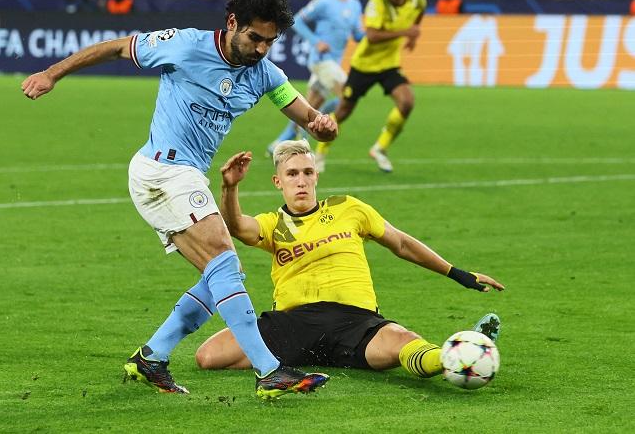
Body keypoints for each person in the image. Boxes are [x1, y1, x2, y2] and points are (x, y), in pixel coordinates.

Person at [20, 0, 338, 400]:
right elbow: (117, 48)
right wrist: (51, 74)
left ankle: (152, 356)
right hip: (162, 171)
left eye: (270, 41)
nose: (262, 48)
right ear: (232, 23)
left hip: (185, 176)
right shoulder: (185, 45)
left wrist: (321, 124)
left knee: (219, 275)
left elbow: (305, 114)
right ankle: (269, 370)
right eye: (255, 37)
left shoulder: (265, 74)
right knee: (223, 262)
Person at [195, 139, 504, 381]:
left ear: (316, 176)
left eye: (307, 172)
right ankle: (463, 354)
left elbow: (401, 243)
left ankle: (459, 355)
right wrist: (230, 187)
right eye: (292, 174)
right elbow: (236, 226)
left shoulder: (348, 208)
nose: (301, 181)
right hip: (295, 324)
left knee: (403, 343)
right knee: (208, 356)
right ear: (278, 181)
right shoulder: (273, 224)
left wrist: (457, 273)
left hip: (355, 321)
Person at [315, 0, 426, 173]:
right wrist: (406, 33)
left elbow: (418, 14)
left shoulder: (417, 1)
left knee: (407, 102)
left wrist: (413, 36)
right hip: (364, 65)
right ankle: (320, 152)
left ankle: (380, 148)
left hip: (389, 65)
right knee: (344, 111)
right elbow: (373, 36)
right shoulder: (377, 2)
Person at [265, 0, 364, 157]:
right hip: (321, 60)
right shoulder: (323, 2)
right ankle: (315, 141)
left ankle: (279, 143)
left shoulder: (355, 4)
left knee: (308, 107)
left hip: (334, 63)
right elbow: (297, 21)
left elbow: (358, 35)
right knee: (347, 96)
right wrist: (316, 41)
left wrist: (374, 34)